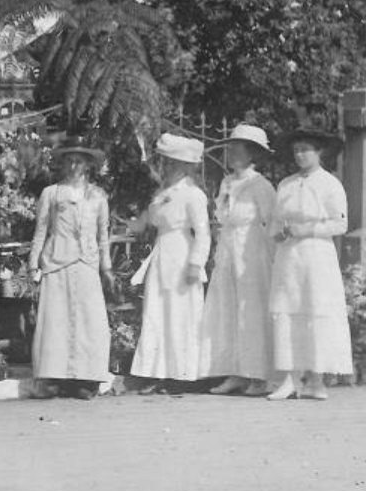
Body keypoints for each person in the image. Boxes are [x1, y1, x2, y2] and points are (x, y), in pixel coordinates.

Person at [265, 126, 354, 401]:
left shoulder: (330, 184)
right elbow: (275, 221)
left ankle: (316, 380)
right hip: (290, 257)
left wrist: (308, 231)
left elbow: (340, 223)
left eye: (306, 150)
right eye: (296, 151)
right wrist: (278, 233)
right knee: (289, 310)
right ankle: (291, 379)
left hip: (317, 256)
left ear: (319, 152)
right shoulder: (286, 184)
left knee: (315, 310)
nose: (300, 155)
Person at [28, 136, 114, 400]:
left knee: (90, 320)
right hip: (57, 261)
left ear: (88, 165)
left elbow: (103, 235)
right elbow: (40, 231)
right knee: (56, 321)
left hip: (86, 262)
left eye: (80, 161)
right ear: (63, 164)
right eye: (69, 160)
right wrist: (33, 265)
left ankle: (86, 380)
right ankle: (53, 378)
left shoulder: (98, 196)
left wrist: (106, 268)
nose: (74, 166)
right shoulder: (52, 193)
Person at [129, 133, 211, 395]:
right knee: (157, 312)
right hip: (162, 253)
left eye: (176, 164)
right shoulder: (162, 193)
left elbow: (203, 232)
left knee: (180, 314)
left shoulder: (193, 194)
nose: (170, 168)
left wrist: (196, 264)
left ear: (187, 166)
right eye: (167, 163)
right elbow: (150, 221)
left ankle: (181, 374)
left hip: (182, 255)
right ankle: (156, 372)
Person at [199, 124, 276, 396]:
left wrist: (271, 260)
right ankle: (235, 372)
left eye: (238, 148)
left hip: (252, 255)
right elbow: (222, 218)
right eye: (231, 148)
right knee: (228, 311)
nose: (232, 153)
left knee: (251, 312)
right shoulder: (227, 182)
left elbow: (272, 225)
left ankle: (258, 374)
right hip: (229, 252)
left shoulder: (261, 185)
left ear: (252, 153)